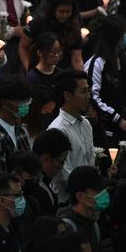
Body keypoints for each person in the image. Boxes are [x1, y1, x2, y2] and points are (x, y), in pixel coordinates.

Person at [48, 70, 94, 202]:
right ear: (67, 95)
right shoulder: (58, 129)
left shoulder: (85, 124)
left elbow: (90, 160)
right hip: (68, 200)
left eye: (88, 91)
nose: (88, 96)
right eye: (83, 92)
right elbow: (64, 174)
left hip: (87, 196)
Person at [85, 14, 126, 145]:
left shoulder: (125, 59)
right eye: (125, 33)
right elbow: (93, 97)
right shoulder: (96, 63)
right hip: (106, 127)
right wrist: (119, 120)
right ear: (115, 35)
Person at [0, 76, 32, 173]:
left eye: (27, 101)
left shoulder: (19, 130)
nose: (25, 105)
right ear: (4, 103)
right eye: (21, 101)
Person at [20, 0, 83, 71]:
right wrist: (29, 69)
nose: (65, 15)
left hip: (62, 72)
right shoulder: (38, 22)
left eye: (68, 12)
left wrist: (81, 78)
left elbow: (77, 59)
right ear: (53, 10)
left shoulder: (74, 27)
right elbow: (23, 47)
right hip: (38, 70)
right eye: (61, 11)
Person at [32, 128, 72, 214]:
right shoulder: (38, 191)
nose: (61, 168)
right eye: (61, 162)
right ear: (47, 159)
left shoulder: (42, 181)